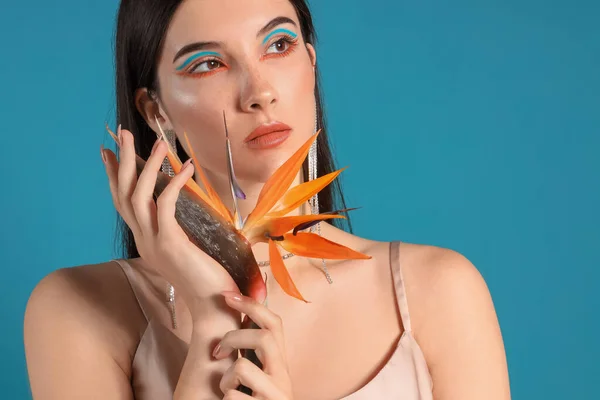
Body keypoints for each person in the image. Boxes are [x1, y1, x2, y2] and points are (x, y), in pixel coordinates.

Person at [24, 0, 511, 399]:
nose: (260, 93)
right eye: (209, 63)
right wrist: (215, 316)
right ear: (156, 110)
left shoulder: (439, 293)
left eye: (279, 45)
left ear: (312, 63)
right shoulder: (77, 310)